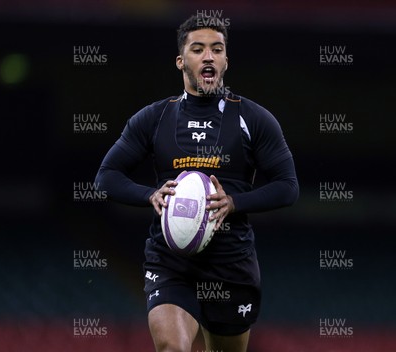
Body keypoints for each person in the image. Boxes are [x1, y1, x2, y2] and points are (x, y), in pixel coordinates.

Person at [96, 14, 298, 352]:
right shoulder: (154, 117)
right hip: (171, 260)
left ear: (225, 60)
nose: (208, 56)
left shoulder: (253, 118)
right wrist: (150, 195)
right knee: (172, 348)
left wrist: (235, 203)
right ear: (181, 61)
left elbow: (287, 186)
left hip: (230, 263)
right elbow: (106, 177)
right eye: (198, 49)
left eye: (216, 50)